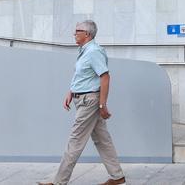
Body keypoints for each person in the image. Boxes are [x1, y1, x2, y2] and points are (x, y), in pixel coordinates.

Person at [38, 20, 126, 185]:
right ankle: (117, 176)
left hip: (90, 102)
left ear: (87, 34)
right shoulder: (84, 51)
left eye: (77, 30)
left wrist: (102, 104)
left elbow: (105, 76)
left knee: (75, 140)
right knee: (102, 139)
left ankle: (59, 181)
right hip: (83, 98)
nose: (74, 33)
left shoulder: (94, 51)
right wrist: (71, 91)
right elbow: (84, 76)